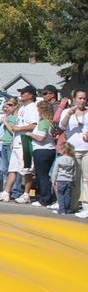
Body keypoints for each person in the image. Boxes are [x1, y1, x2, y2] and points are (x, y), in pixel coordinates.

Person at [0, 85, 39, 203]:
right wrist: (14, 137)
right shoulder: (22, 108)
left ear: (30, 95)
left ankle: (26, 194)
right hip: (16, 141)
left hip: (25, 141)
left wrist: (19, 128)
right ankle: (6, 192)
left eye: (24, 92)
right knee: (12, 169)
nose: (21, 94)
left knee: (26, 170)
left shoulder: (33, 108)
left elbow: (34, 125)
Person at [59, 88, 88, 217]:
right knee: (74, 179)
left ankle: (86, 206)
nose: (82, 100)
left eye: (84, 98)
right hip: (73, 149)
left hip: (86, 149)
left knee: (86, 179)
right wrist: (69, 113)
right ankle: (73, 205)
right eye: (80, 98)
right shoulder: (67, 112)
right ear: (74, 99)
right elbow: (62, 126)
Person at [27, 100, 57, 207]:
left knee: (42, 176)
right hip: (50, 150)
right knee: (46, 176)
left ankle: (44, 198)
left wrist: (30, 134)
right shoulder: (51, 122)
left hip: (41, 150)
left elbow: (41, 137)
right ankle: (48, 196)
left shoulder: (44, 122)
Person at [0, 97, 19, 193]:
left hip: (11, 145)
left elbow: (13, 131)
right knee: (3, 170)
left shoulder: (16, 118)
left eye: (10, 105)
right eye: (5, 106)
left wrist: (6, 122)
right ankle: (4, 189)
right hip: (3, 144)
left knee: (11, 169)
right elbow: (6, 133)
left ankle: (14, 190)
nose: (7, 107)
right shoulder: (4, 117)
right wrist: (0, 138)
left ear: (16, 106)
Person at [51, 142, 76, 215]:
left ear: (63, 150)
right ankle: (67, 209)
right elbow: (74, 171)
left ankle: (61, 210)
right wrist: (74, 180)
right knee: (68, 195)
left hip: (60, 180)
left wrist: (53, 180)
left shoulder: (59, 159)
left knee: (60, 195)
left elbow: (55, 171)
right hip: (69, 180)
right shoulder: (72, 160)